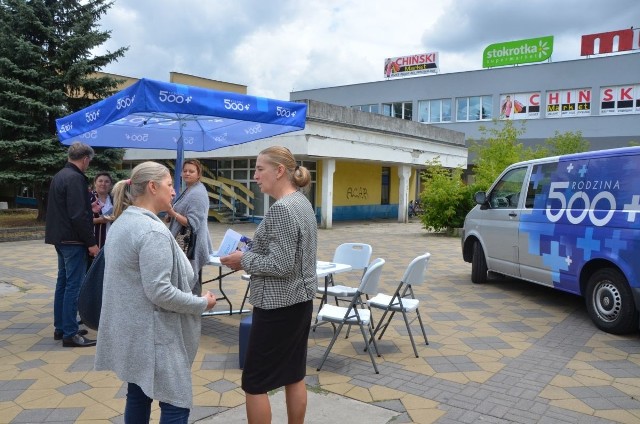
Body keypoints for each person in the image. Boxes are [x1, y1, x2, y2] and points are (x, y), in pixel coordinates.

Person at [94, 161, 217, 424]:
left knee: (138, 394)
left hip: (133, 329)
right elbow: (161, 292)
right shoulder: (152, 232)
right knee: (176, 403)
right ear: (152, 187)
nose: (174, 192)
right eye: (170, 185)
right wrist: (201, 303)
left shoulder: (121, 223)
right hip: (155, 335)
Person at [220, 146, 317, 424]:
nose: (254, 176)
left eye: (260, 169)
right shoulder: (301, 202)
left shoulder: (282, 210)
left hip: (278, 306)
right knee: (293, 373)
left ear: (280, 171)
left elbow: (281, 265)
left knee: (254, 381)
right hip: (298, 301)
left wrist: (244, 260)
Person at [45, 141, 99, 347]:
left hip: (60, 238)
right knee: (73, 286)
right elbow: (77, 216)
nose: (88, 165)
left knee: (63, 283)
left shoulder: (60, 176)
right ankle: (70, 333)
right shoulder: (76, 178)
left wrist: (88, 208)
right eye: (89, 162)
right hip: (73, 240)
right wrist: (91, 243)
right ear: (85, 159)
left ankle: (61, 327)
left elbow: (68, 209)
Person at [167, 159, 214, 295]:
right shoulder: (189, 189)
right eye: (185, 171)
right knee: (187, 279)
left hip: (191, 246)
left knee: (190, 280)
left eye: (191, 171)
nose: (187, 173)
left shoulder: (198, 193)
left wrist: (171, 212)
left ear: (198, 174)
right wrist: (171, 215)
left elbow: (192, 223)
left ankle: (193, 312)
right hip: (186, 244)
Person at [89, 172, 114, 249]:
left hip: (112, 241)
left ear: (110, 185)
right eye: (100, 181)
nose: (103, 184)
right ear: (95, 183)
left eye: (107, 181)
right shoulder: (88, 198)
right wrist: (100, 220)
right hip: (94, 243)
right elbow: (81, 220)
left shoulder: (114, 199)